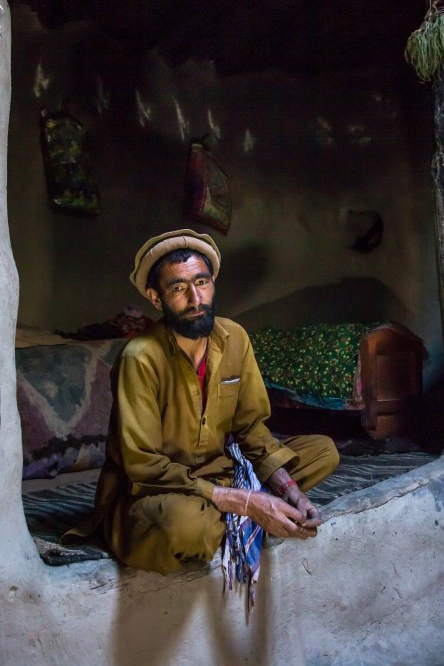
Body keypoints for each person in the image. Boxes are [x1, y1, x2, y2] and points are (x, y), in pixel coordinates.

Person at [65, 228, 339, 575]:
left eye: (202, 282)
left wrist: (292, 492)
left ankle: (244, 511)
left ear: (213, 283)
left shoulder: (235, 338)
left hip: (221, 473)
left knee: (323, 451)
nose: (196, 299)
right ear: (155, 298)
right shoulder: (140, 357)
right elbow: (143, 466)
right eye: (178, 289)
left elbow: (251, 429)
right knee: (186, 528)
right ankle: (241, 515)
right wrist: (246, 501)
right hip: (152, 491)